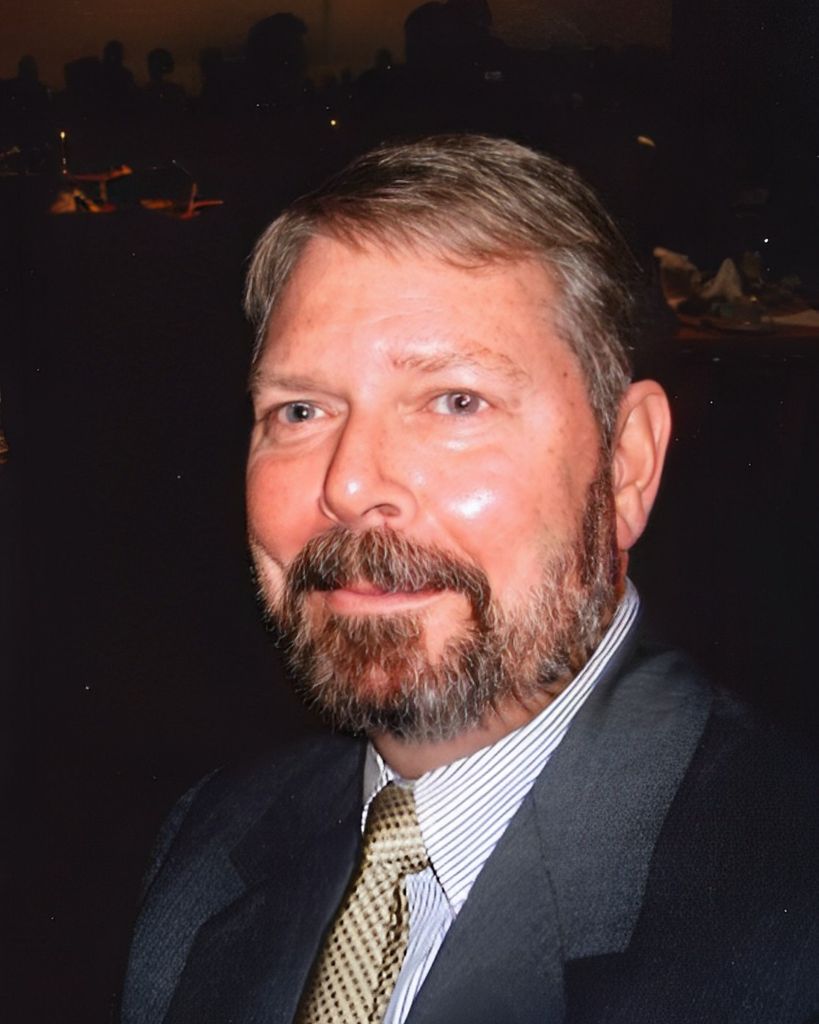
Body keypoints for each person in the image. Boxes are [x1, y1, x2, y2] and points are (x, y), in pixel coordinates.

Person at [120, 135, 819, 1024]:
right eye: (299, 410)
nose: (348, 484)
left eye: (456, 401)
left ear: (626, 465)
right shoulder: (210, 843)